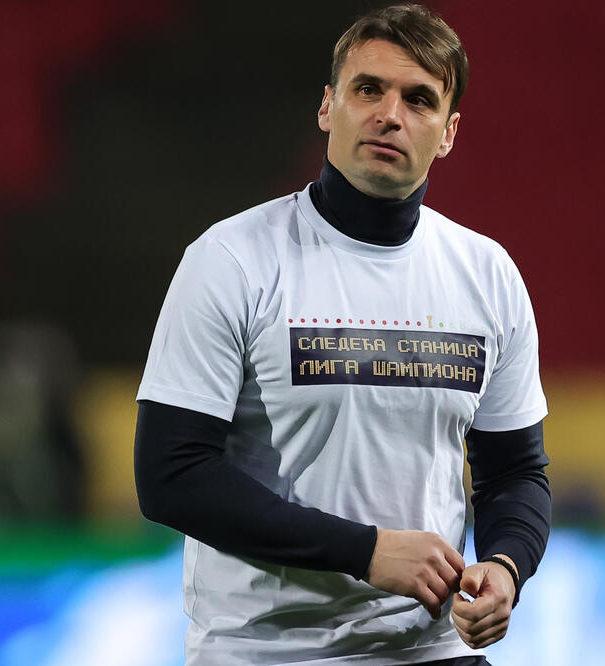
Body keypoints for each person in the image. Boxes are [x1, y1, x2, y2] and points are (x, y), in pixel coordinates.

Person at [134, 5, 551, 665]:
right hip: (267, 650)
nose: (391, 115)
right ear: (328, 106)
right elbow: (171, 475)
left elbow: (515, 471)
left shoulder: (487, 274)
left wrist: (505, 565)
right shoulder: (232, 260)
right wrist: (366, 551)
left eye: (419, 99)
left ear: (448, 132)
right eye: (369, 89)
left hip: (430, 649)